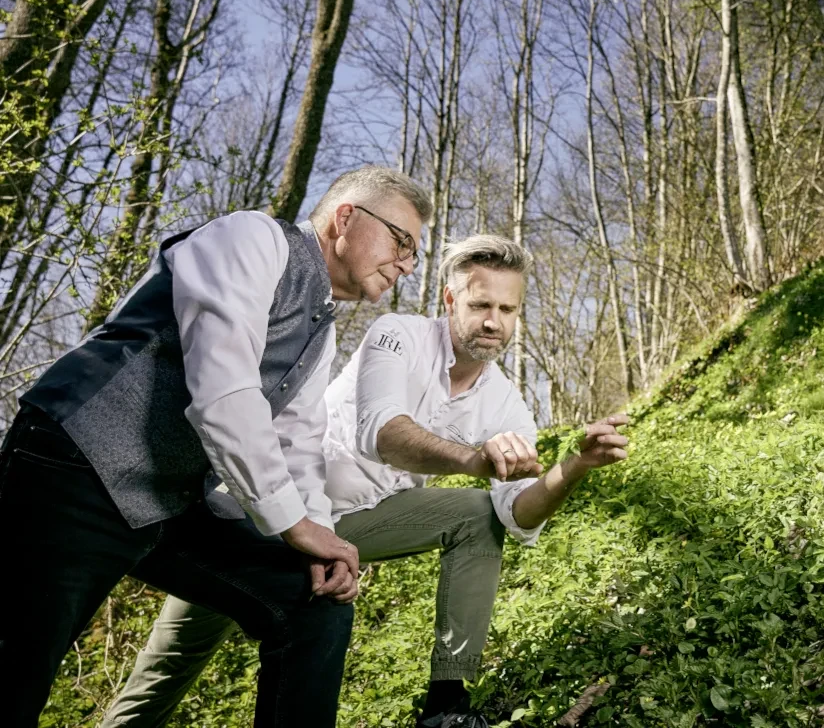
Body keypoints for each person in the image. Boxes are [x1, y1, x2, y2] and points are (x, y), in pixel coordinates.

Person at [100, 234, 629, 728]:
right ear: (450, 299)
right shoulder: (396, 334)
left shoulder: (506, 403)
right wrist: (476, 460)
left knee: (476, 516)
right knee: (166, 669)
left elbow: (518, 514)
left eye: (507, 310)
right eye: (481, 305)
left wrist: (573, 467)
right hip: (265, 514)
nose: (494, 322)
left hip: (352, 527)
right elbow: (383, 433)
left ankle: (448, 706)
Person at [0, 166, 433, 727]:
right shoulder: (250, 238)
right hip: (73, 465)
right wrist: (290, 523)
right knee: (13, 679)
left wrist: (319, 537)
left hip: (168, 501)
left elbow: (299, 442)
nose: (405, 264)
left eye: (415, 254)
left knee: (313, 605)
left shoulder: (321, 330)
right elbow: (224, 393)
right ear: (346, 217)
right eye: (401, 241)